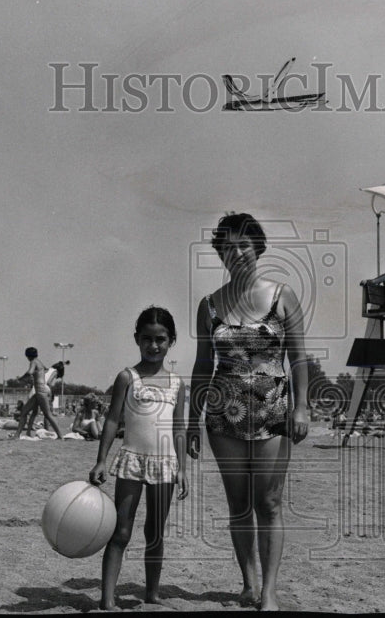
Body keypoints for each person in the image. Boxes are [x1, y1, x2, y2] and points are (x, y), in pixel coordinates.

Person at [187, 213, 310, 611]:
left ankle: (270, 592)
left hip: (274, 412)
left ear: (258, 247)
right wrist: (192, 420)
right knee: (238, 504)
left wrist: (302, 407)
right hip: (224, 417)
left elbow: (299, 358)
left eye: (243, 244)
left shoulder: (282, 295)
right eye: (227, 246)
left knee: (269, 503)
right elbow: (203, 365)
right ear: (220, 254)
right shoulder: (209, 305)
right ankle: (248, 582)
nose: (236, 252)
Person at [89, 306, 188, 610]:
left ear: (171, 340)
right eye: (147, 339)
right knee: (120, 530)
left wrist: (182, 470)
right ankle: (107, 600)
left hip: (166, 464)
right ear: (137, 339)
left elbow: (179, 428)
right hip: (132, 459)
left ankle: (153, 594)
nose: (154, 345)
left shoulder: (177, 384)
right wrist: (101, 460)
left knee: (155, 532)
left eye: (161, 339)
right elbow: (111, 420)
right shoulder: (126, 377)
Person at [11, 348, 64, 440]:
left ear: (27, 356)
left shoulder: (33, 362)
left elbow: (29, 372)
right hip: (41, 391)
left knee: (47, 414)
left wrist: (20, 379)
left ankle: (60, 436)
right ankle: (17, 435)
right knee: (24, 412)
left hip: (40, 391)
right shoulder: (39, 362)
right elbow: (45, 370)